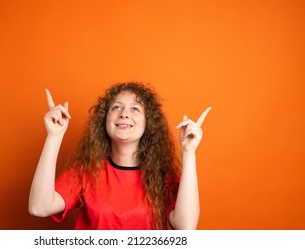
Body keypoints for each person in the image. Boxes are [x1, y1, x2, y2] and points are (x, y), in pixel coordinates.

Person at [29, 82, 211, 230]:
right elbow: (39, 207)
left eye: (135, 109)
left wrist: (188, 153)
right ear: (104, 119)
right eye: (116, 107)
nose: (124, 114)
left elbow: (186, 227)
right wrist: (53, 137)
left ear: (149, 124)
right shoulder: (85, 171)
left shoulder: (164, 176)